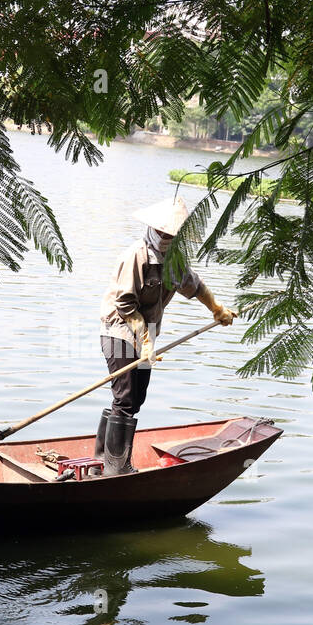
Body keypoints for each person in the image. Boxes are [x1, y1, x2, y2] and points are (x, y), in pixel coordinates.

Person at [96, 198, 236, 475]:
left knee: (136, 399)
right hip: (120, 331)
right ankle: (115, 467)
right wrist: (144, 341)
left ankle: (104, 455)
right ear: (152, 229)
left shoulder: (175, 262)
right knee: (124, 397)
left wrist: (217, 310)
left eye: (172, 236)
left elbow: (195, 287)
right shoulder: (135, 256)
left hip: (147, 336)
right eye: (162, 233)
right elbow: (125, 305)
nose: (165, 239)